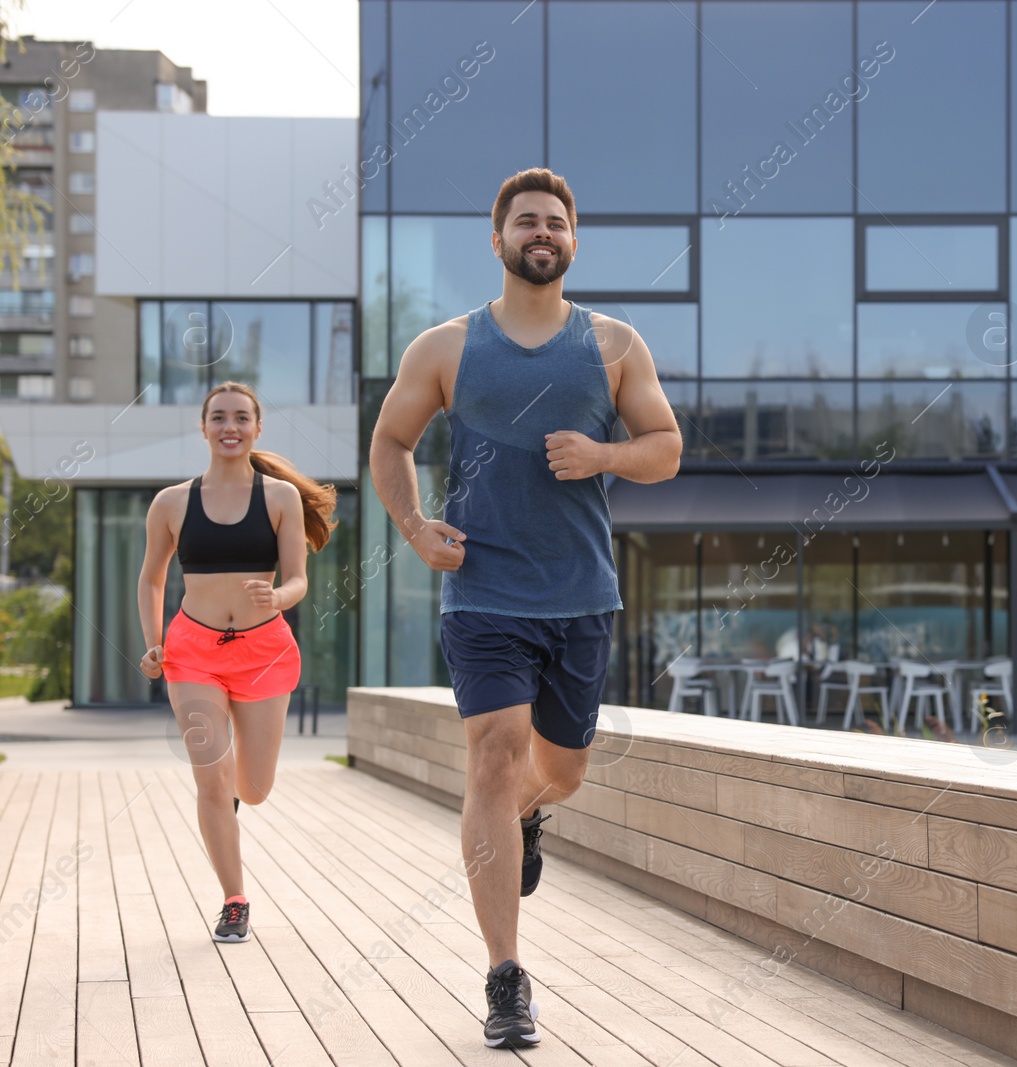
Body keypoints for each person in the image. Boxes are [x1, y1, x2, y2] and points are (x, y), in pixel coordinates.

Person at [370, 167, 680, 1050]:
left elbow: (664, 449)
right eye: (524, 222)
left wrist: (602, 454)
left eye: (554, 223)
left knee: (562, 770)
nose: (539, 233)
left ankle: (531, 813)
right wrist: (414, 525)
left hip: (580, 596)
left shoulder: (615, 344)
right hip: (485, 595)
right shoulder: (446, 347)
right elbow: (391, 441)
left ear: (572, 242)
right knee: (493, 758)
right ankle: (507, 976)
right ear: (497, 239)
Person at [137, 381, 338, 943]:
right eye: (219, 417)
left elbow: (298, 577)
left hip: (264, 652)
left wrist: (280, 598)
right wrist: (154, 642)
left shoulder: (279, 498)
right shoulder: (172, 502)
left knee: (253, 787)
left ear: (256, 428)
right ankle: (234, 899)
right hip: (192, 652)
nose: (230, 426)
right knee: (210, 776)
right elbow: (153, 578)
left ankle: (232, 796)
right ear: (203, 428)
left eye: (241, 418)